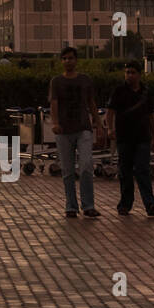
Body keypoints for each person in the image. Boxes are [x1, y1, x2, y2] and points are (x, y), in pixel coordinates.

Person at [48, 46, 103, 219]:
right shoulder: (56, 81)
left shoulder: (85, 80)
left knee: (86, 165)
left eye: (70, 58)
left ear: (76, 60)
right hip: (64, 131)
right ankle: (71, 206)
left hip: (83, 129)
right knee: (68, 170)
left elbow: (91, 103)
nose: (67, 61)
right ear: (61, 61)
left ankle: (88, 205)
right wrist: (55, 123)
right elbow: (54, 104)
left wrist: (99, 124)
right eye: (64, 58)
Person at [106, 61, 154, 217]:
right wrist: (110, 129)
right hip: (124, 138)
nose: (129, 75)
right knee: (125, 172)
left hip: (142, 137)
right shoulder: (119, 91)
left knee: (143, 170)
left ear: (139, 74)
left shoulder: (145, 92)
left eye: (132, 72)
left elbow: (151, 117)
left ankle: (149, 203)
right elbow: (110, 112)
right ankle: (125, 204)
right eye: (127, 72)